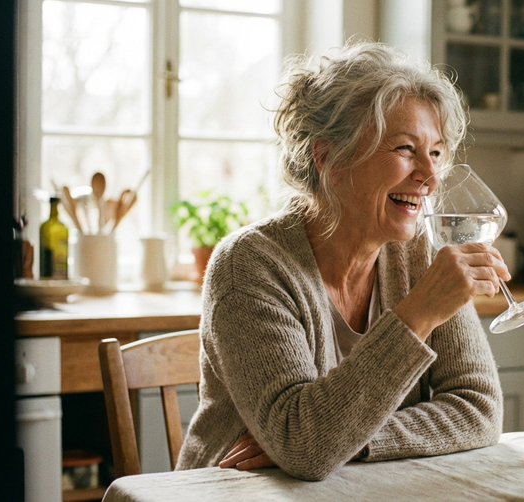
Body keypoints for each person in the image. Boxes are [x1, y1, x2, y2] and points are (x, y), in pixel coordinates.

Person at [175, 40, 507, 482]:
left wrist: (359, 441)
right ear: (329, 157)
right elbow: (303, 445)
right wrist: (419, 312)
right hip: (231, 491)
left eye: (437, 153)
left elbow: (479, 408)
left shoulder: (422, 253)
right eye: (406, 149)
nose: (429, 177)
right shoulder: (249, 266)